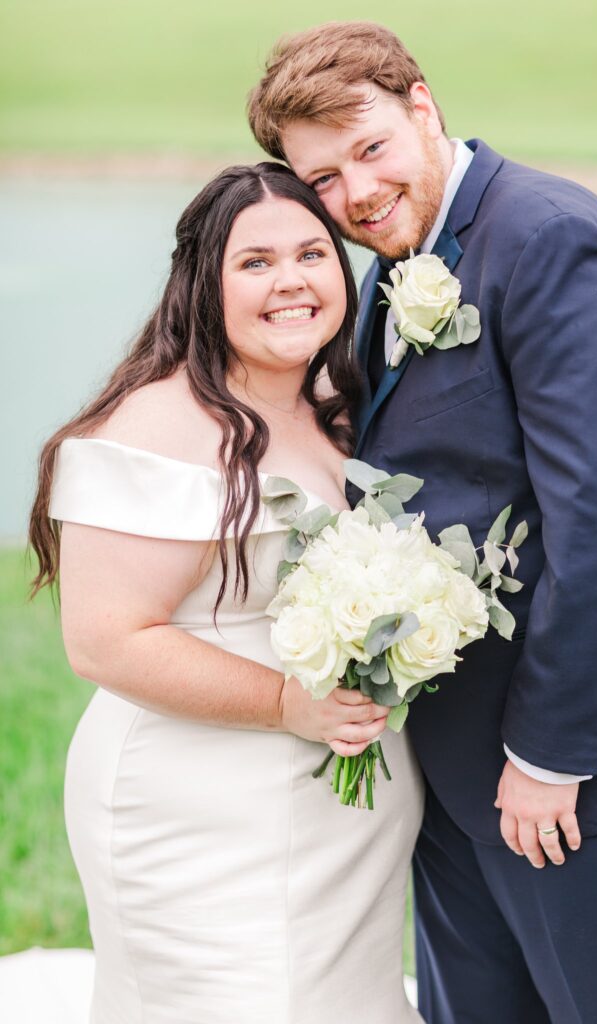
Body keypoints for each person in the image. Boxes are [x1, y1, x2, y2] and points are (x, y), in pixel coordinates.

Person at [248, 22, 597, 1024]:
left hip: (576, 785)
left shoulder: (546, 240)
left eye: (368, 149)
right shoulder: (386, 271)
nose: (353, 194)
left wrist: (546, 758)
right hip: (452, 774)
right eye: (320, 179)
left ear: (422, 107)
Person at [28, 162, 424, 1024]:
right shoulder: (150, 429)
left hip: (343, 824)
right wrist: (288, 702)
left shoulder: (341, 407)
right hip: (197, 808)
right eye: (254, 262)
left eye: (312, 254)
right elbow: (104, 640)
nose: (291, 282)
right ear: (202, 284)